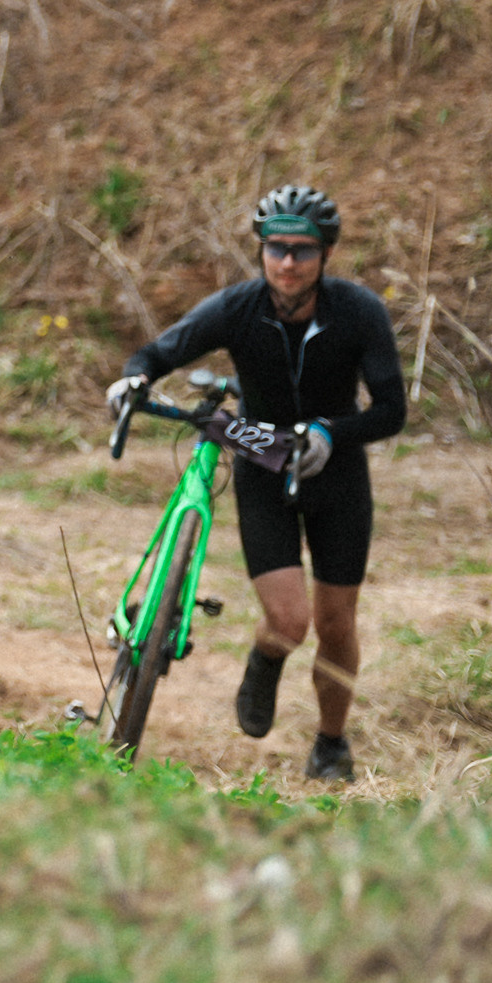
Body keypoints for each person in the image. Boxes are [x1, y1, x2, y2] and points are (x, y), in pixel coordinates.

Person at [103, 184, 405, 782]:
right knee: (289, 623)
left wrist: (330, 431)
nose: (287, 262)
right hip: (261, 460)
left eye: (302, 251)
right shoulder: (238, 308)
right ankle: (267, 656)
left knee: (336, 623)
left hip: (335, 469)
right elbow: (156, 353)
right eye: (276, 249)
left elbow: (391, 410)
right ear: (261, 250)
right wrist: (132, 381)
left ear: (325, 255)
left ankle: (330, 743)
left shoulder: (358, 311)